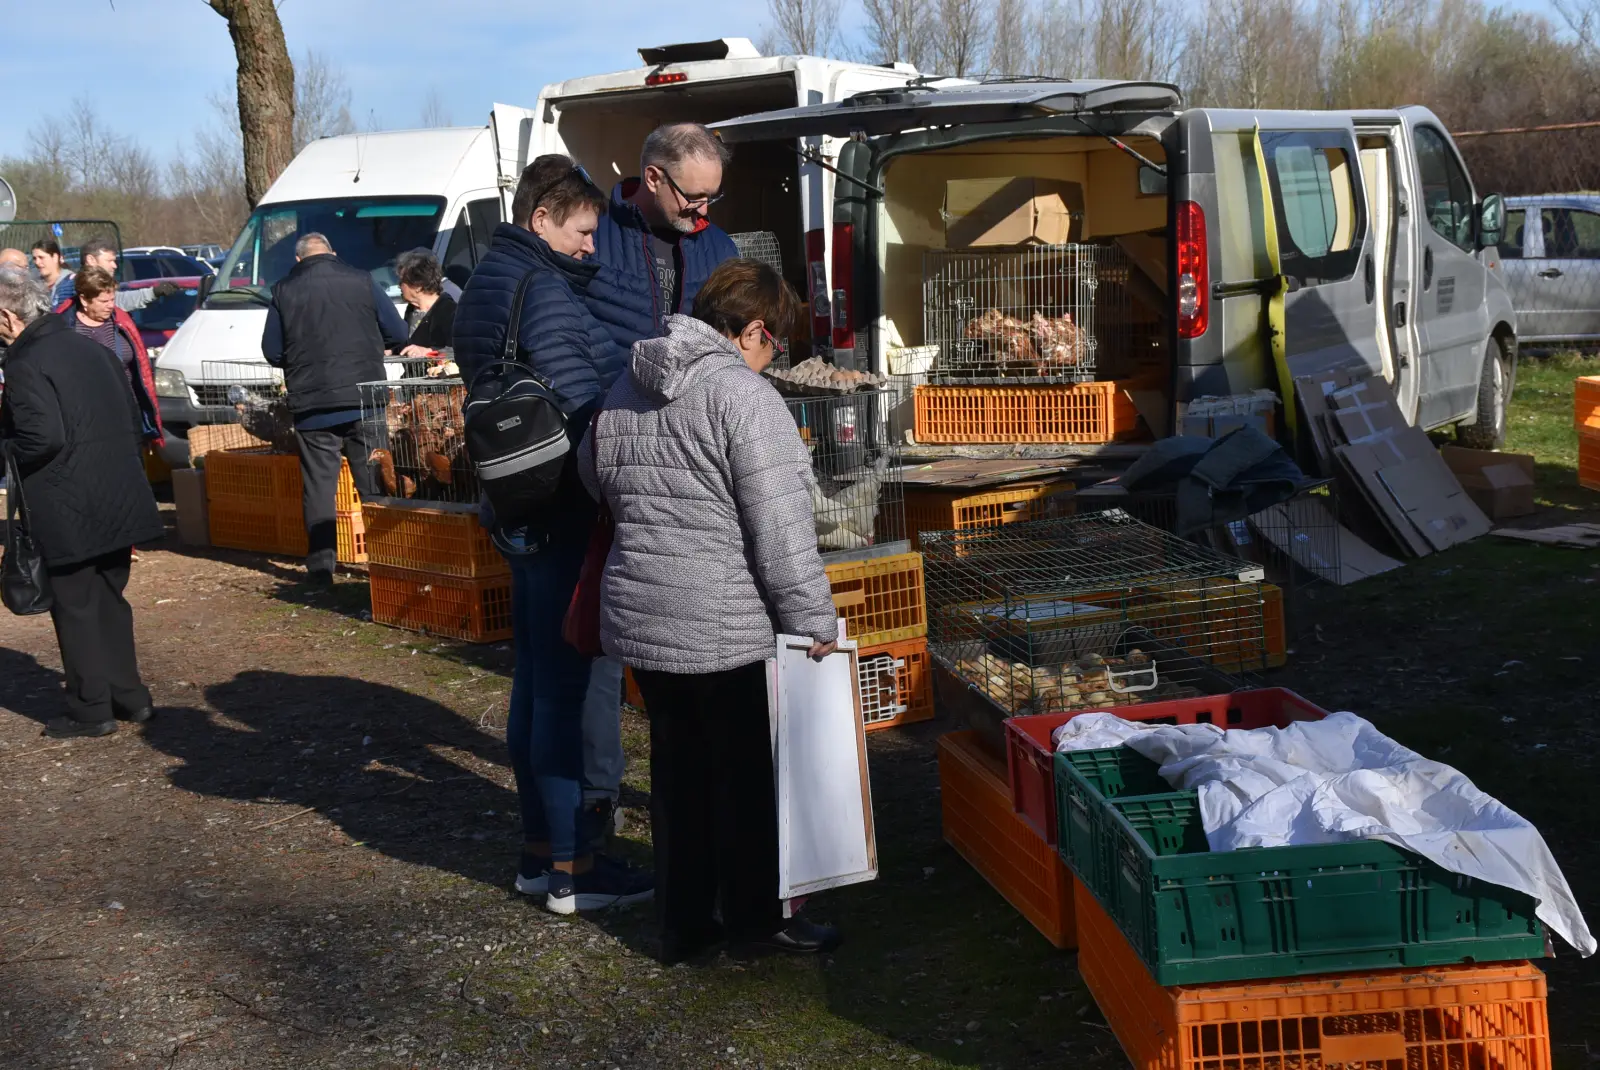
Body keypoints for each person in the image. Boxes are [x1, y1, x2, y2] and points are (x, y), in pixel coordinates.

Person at [579, 258, 842, 962]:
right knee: (745, 782)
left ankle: (685, 926)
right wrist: (814, 623)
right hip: (725, 625)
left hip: (645, 614)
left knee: (678, 775)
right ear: (753, 329)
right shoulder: (745, 399)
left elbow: (590, 473)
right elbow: (781, 532)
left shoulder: (627, 382)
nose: (774, 356)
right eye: (775, 342)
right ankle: (757, 923)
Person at [454, 154, 652, 915]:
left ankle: (539, 856)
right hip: (562, 505)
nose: (590, 248)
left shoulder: (488, 281)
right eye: (581, 231)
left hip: (513, 506)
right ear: (541, 218)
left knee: (535, 683)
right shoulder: (543, 291)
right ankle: (575, 869)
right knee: (564, 693)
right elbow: (583, 407)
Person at [0, 269, 166, 739]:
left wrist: (6, 448)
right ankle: (131, 697)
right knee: (110, 597)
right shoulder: (93, 348)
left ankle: (91, 709)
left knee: (74, 605)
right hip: (117, 494)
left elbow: (41, 437)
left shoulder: (25, 361)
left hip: (67, 499)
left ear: (6, 316)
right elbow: (132, 418)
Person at [261, 232, 407, 582]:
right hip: (364, 398)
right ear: (333, 252)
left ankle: (321, 567)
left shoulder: (283, 290)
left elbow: (272, 350)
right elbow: (399, 333)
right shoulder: (362, 280)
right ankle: (386, 562)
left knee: (319, 488)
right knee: (373, 482)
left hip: (313, 405)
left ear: (299, 260)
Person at [585, 123, 739, 351]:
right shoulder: (589, 236)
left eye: (710, 197)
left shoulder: (722, 250)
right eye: (694, 196)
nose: (704, 210)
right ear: (653, 178)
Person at [58, 267, 166, 450]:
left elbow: (141, 371)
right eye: (103, 301)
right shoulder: (64, 328)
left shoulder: (121, 321)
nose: (110, 305)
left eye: (112, 299)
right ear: (84, 299)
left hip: (127, 414)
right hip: (86, 421)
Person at [55, 237, 182, 311]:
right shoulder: (76, 286)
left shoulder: (69, 283)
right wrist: (153, 292)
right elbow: (119, 301)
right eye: (109, 261)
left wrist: (154, 292)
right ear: (91, 260)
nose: (114, 266)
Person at [393, 248, 457, 356]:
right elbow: (410, 344)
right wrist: (391, 351)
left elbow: (459, 349)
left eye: (402, 281)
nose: (399, 286)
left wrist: (428, 351)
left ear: (418, 286)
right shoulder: (411, 310)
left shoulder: (450, 311)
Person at [30, 240, 72, 306]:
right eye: (34, 258)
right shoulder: (34, 285)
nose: (37, 262)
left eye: (41, 257)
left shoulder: (70, 283)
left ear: (55, 257)